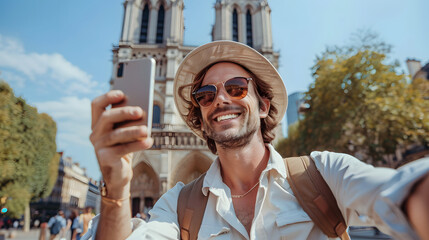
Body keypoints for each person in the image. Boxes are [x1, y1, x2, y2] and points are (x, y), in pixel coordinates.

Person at [86, 41, 429, 240]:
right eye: (205, 94)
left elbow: (398, 192)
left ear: (263, 105)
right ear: (201, 119)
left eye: (236, 88)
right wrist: (117, 189)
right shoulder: (177, 207)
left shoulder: (325, 174)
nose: (220, 99)